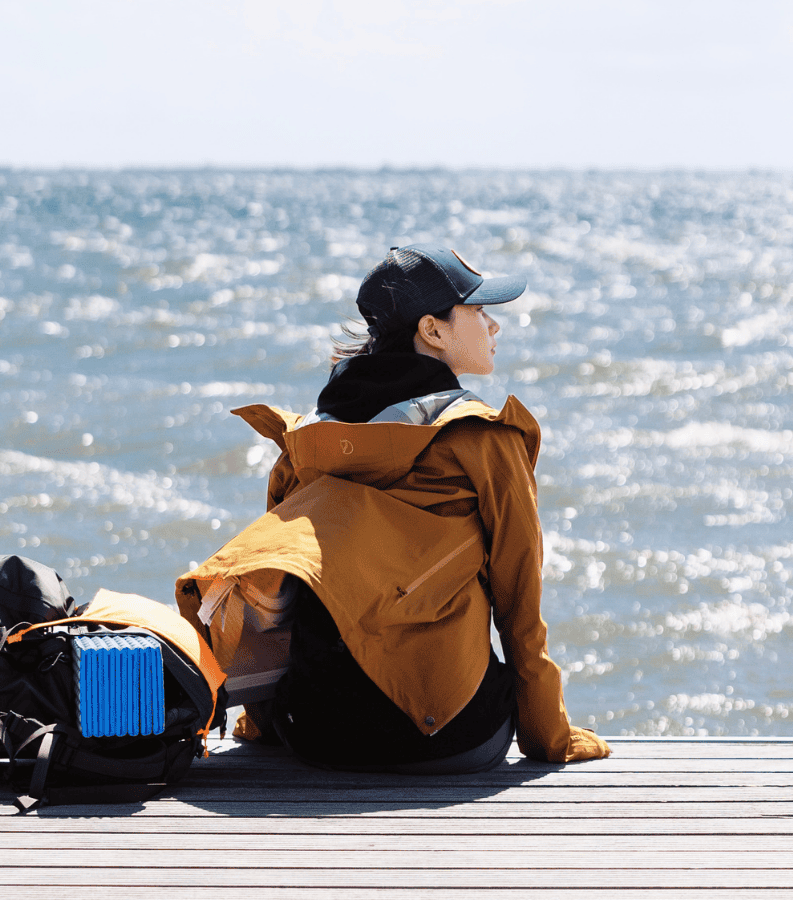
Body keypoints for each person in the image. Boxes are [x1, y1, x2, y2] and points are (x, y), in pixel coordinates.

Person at [177, 244, 609, 772]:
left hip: (312, 731)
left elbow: (275, 597)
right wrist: (548, 735)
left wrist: (262, 724)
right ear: (432, 330)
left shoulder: (309, 440)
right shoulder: (481, 437)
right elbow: (519, 594)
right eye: (478, 311)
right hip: (445, 738)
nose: (494, 326)